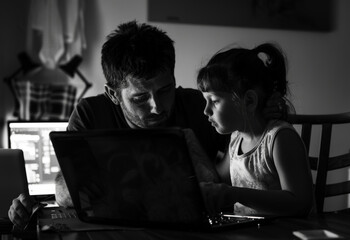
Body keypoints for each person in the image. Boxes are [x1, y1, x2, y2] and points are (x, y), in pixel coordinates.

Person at [8, 21, 287, 228]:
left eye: (166, 90)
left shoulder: (195, 105)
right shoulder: (91, 113)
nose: (158, 106)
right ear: (113, 94)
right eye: (140, 97)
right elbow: (66, 190)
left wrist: (261, 112)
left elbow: (241, 160)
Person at [197, 43, 314, 216]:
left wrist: (235, 194)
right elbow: (220, 176)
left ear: (250, 101)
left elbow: (300, 202)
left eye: (214, 100)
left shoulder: (279, 138)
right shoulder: (236, 138)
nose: (206, 110)